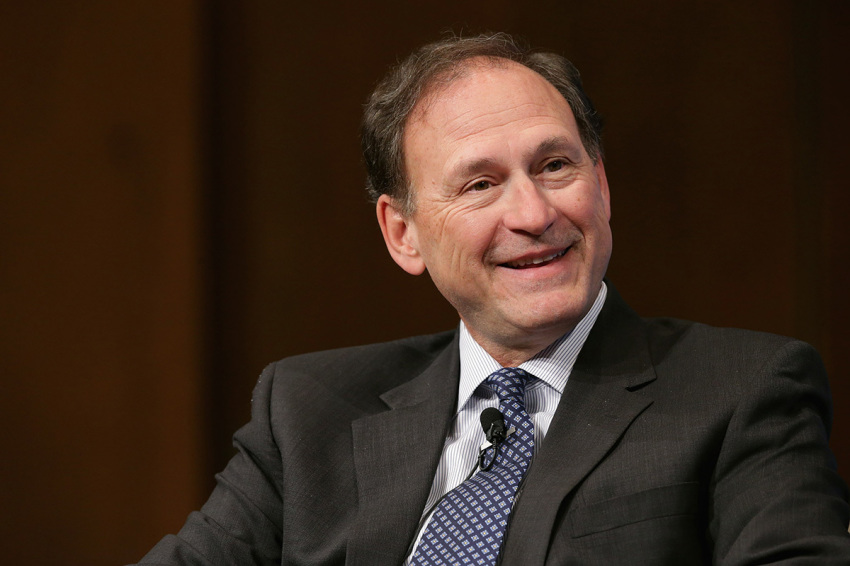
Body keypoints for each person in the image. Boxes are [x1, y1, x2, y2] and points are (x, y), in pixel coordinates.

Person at [134, 33, 850, 565]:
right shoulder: (308, 409)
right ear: (403, 233)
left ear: (601, 186)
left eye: (555, 165)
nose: (534, 213)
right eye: (479, 184)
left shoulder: (744, 390)